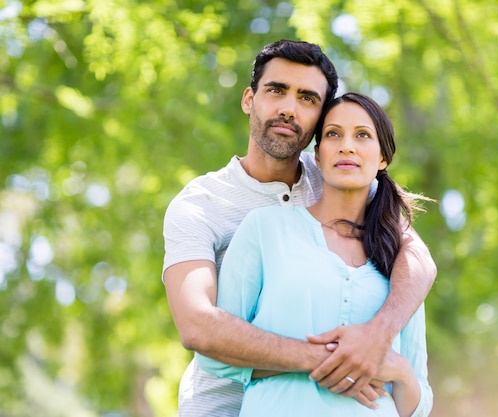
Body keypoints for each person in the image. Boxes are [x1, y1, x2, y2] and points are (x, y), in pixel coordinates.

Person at [162, 40, 437, 416]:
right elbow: (197, 325)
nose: (289, 108)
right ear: (249, 99)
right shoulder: (202, 204)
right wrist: (338, 360)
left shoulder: (341, 176)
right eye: (276, 91)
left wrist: (378, 336)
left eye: (307, 98)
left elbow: (417, 258)